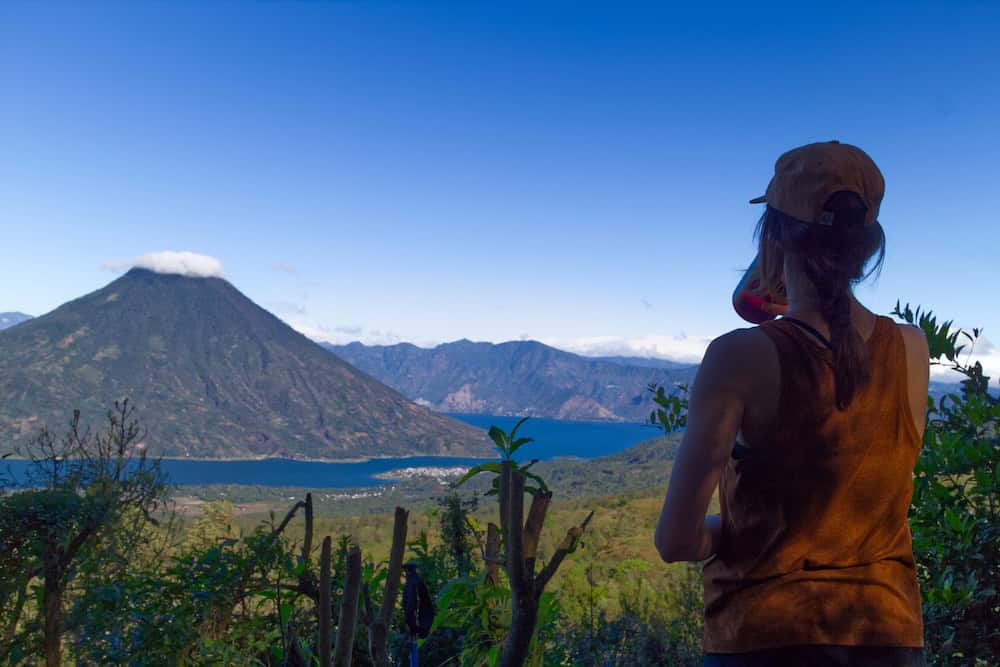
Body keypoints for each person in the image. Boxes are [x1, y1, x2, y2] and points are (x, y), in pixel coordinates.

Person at [653, 141, 929, 666]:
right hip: (887, 633)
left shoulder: (739, 356)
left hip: (765, 635)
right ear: (868, 246)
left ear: (772, 236)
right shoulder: (912, 349)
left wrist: (733, 529)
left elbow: (675, 541)